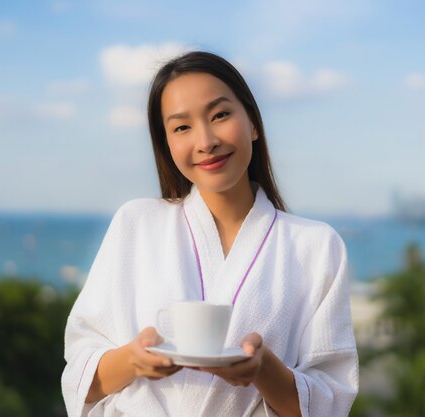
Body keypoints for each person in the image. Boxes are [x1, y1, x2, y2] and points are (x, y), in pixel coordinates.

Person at [61, 51, 358, 417]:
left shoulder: (316, 246)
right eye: (181, 127)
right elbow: (80, 379)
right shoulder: (135, 224)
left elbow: (329, 403)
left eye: (220, 115)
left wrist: (263, 368)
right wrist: (134, 360)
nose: (205, 141)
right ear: (167, 144)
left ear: (252, 122)